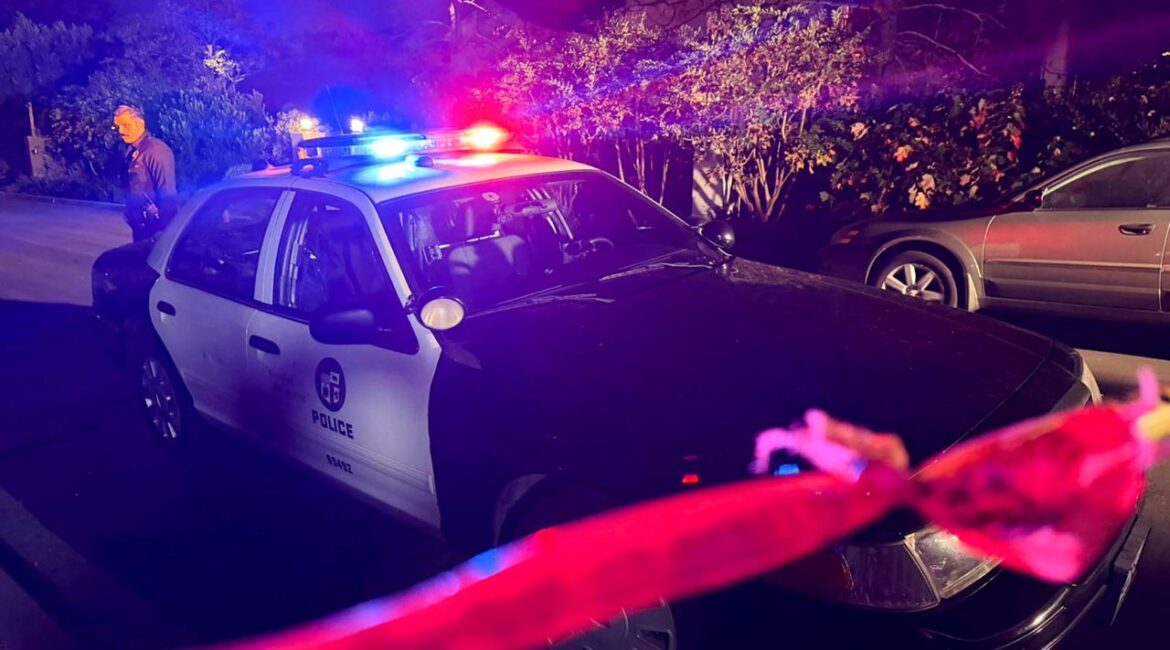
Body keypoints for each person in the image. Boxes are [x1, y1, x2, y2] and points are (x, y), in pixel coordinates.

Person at [113, 105, 177, 242]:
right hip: (140, 225)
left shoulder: (156, 151)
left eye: (125, 125)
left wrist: (164, 231)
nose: (121, 131)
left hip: (154, 229)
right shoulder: (132, 150)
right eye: (118, 127)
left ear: (140, 124)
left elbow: (167, 194)